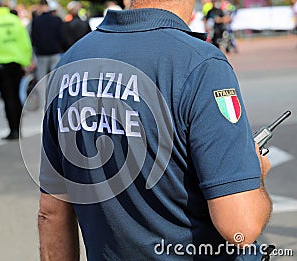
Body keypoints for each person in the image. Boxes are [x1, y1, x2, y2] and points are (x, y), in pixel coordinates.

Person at [37, 0, 272, 260]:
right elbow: (241, 226)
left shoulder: (70, 62)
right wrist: (255, 173)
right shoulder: (201, 63)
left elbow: (51, 212)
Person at [0, 0, 32, 140]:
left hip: (0, 65)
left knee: (8, 98)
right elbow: (26, 42)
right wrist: (26, 61)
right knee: (17, 96)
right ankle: (19, 128)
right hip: (17, 63)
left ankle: (13, 129)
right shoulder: (15, 21)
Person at [31, 0, 63, 82]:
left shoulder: (36, 21)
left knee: (42, 80)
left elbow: (33, 37)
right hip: (55, 52)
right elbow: (61, 36)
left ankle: (42, 95)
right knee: (55, 79)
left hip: (41, 54)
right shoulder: (57, 20)